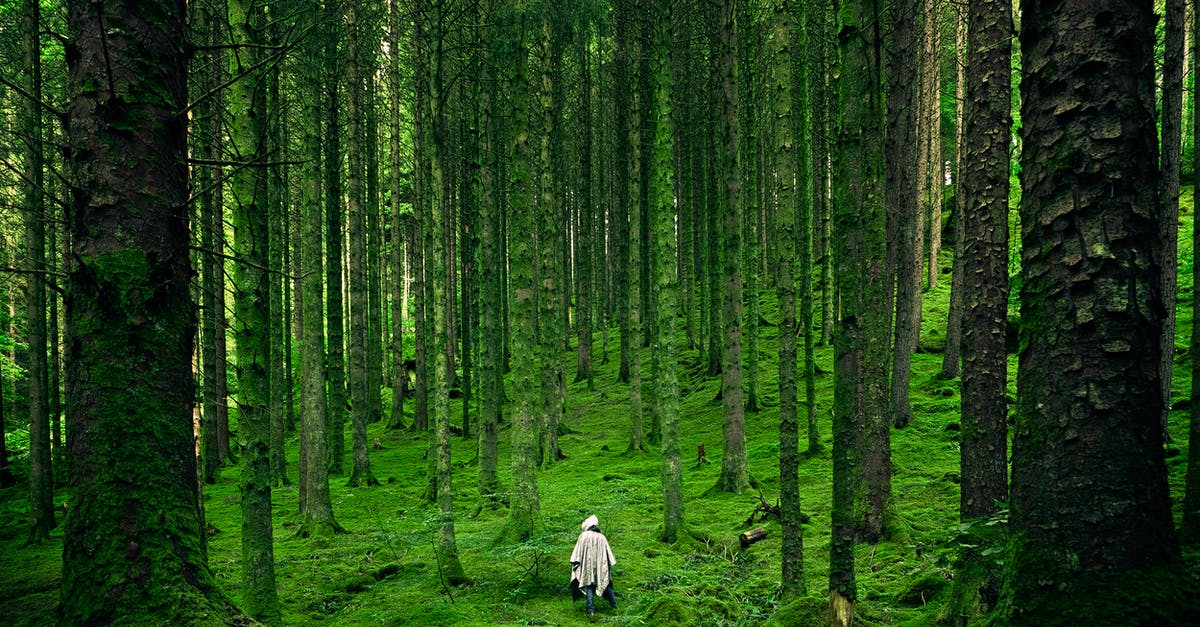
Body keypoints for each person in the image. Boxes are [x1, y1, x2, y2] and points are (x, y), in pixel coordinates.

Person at [569, 514, 617, 616]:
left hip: (587, 566)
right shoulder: (602, 537)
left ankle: (591, 610)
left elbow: (577, 553)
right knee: (606, 583)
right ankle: (614, 606)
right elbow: (609, 554)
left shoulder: (583, 536)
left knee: (589, 585)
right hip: (601, 566)